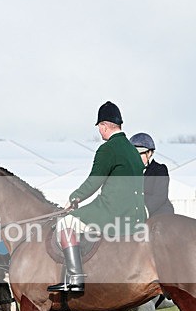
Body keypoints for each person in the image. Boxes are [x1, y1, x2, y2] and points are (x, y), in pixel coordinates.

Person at [47, 101, 145, 293]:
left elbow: (94, 182)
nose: (100, 132)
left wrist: (74, 198)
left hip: (113, 211)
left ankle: (75, 278)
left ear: (104, 125)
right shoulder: (133, 150)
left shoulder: (108, 149)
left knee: (65, 224)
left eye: (100, 128)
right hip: (138, 214)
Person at [130, 133, 174, 216]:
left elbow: (160, 196)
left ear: (149, 153)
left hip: (158, 213)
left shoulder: (160, 170)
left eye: (139, 154)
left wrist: (143, 210)